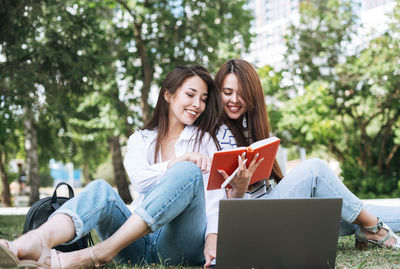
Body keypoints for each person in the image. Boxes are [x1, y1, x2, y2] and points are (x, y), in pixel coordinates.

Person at [0, 65, 223, 268]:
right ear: (168, 95)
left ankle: (99, 253)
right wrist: (176, 161)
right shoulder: (141, 140)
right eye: (190, 95)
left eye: (203, 99)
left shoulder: (205, 141)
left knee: (188, 171)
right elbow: (140, 180)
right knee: (100, 189)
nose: (198, 105)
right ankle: (34, 242)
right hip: (134, 244)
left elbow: (215, 199)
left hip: (180, 244)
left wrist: (212, 237)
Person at [203, 58, 400, 267]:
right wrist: (239, 189)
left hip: (272, 215)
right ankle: (375, 230)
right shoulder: (211, 134)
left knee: (354, 210)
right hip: (253, 224)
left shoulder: (248, 126)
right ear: (217, 93)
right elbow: (222, 212)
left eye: (242, 93)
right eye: (227, 92)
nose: (235, 99)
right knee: (314, 170)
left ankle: (369, 226)